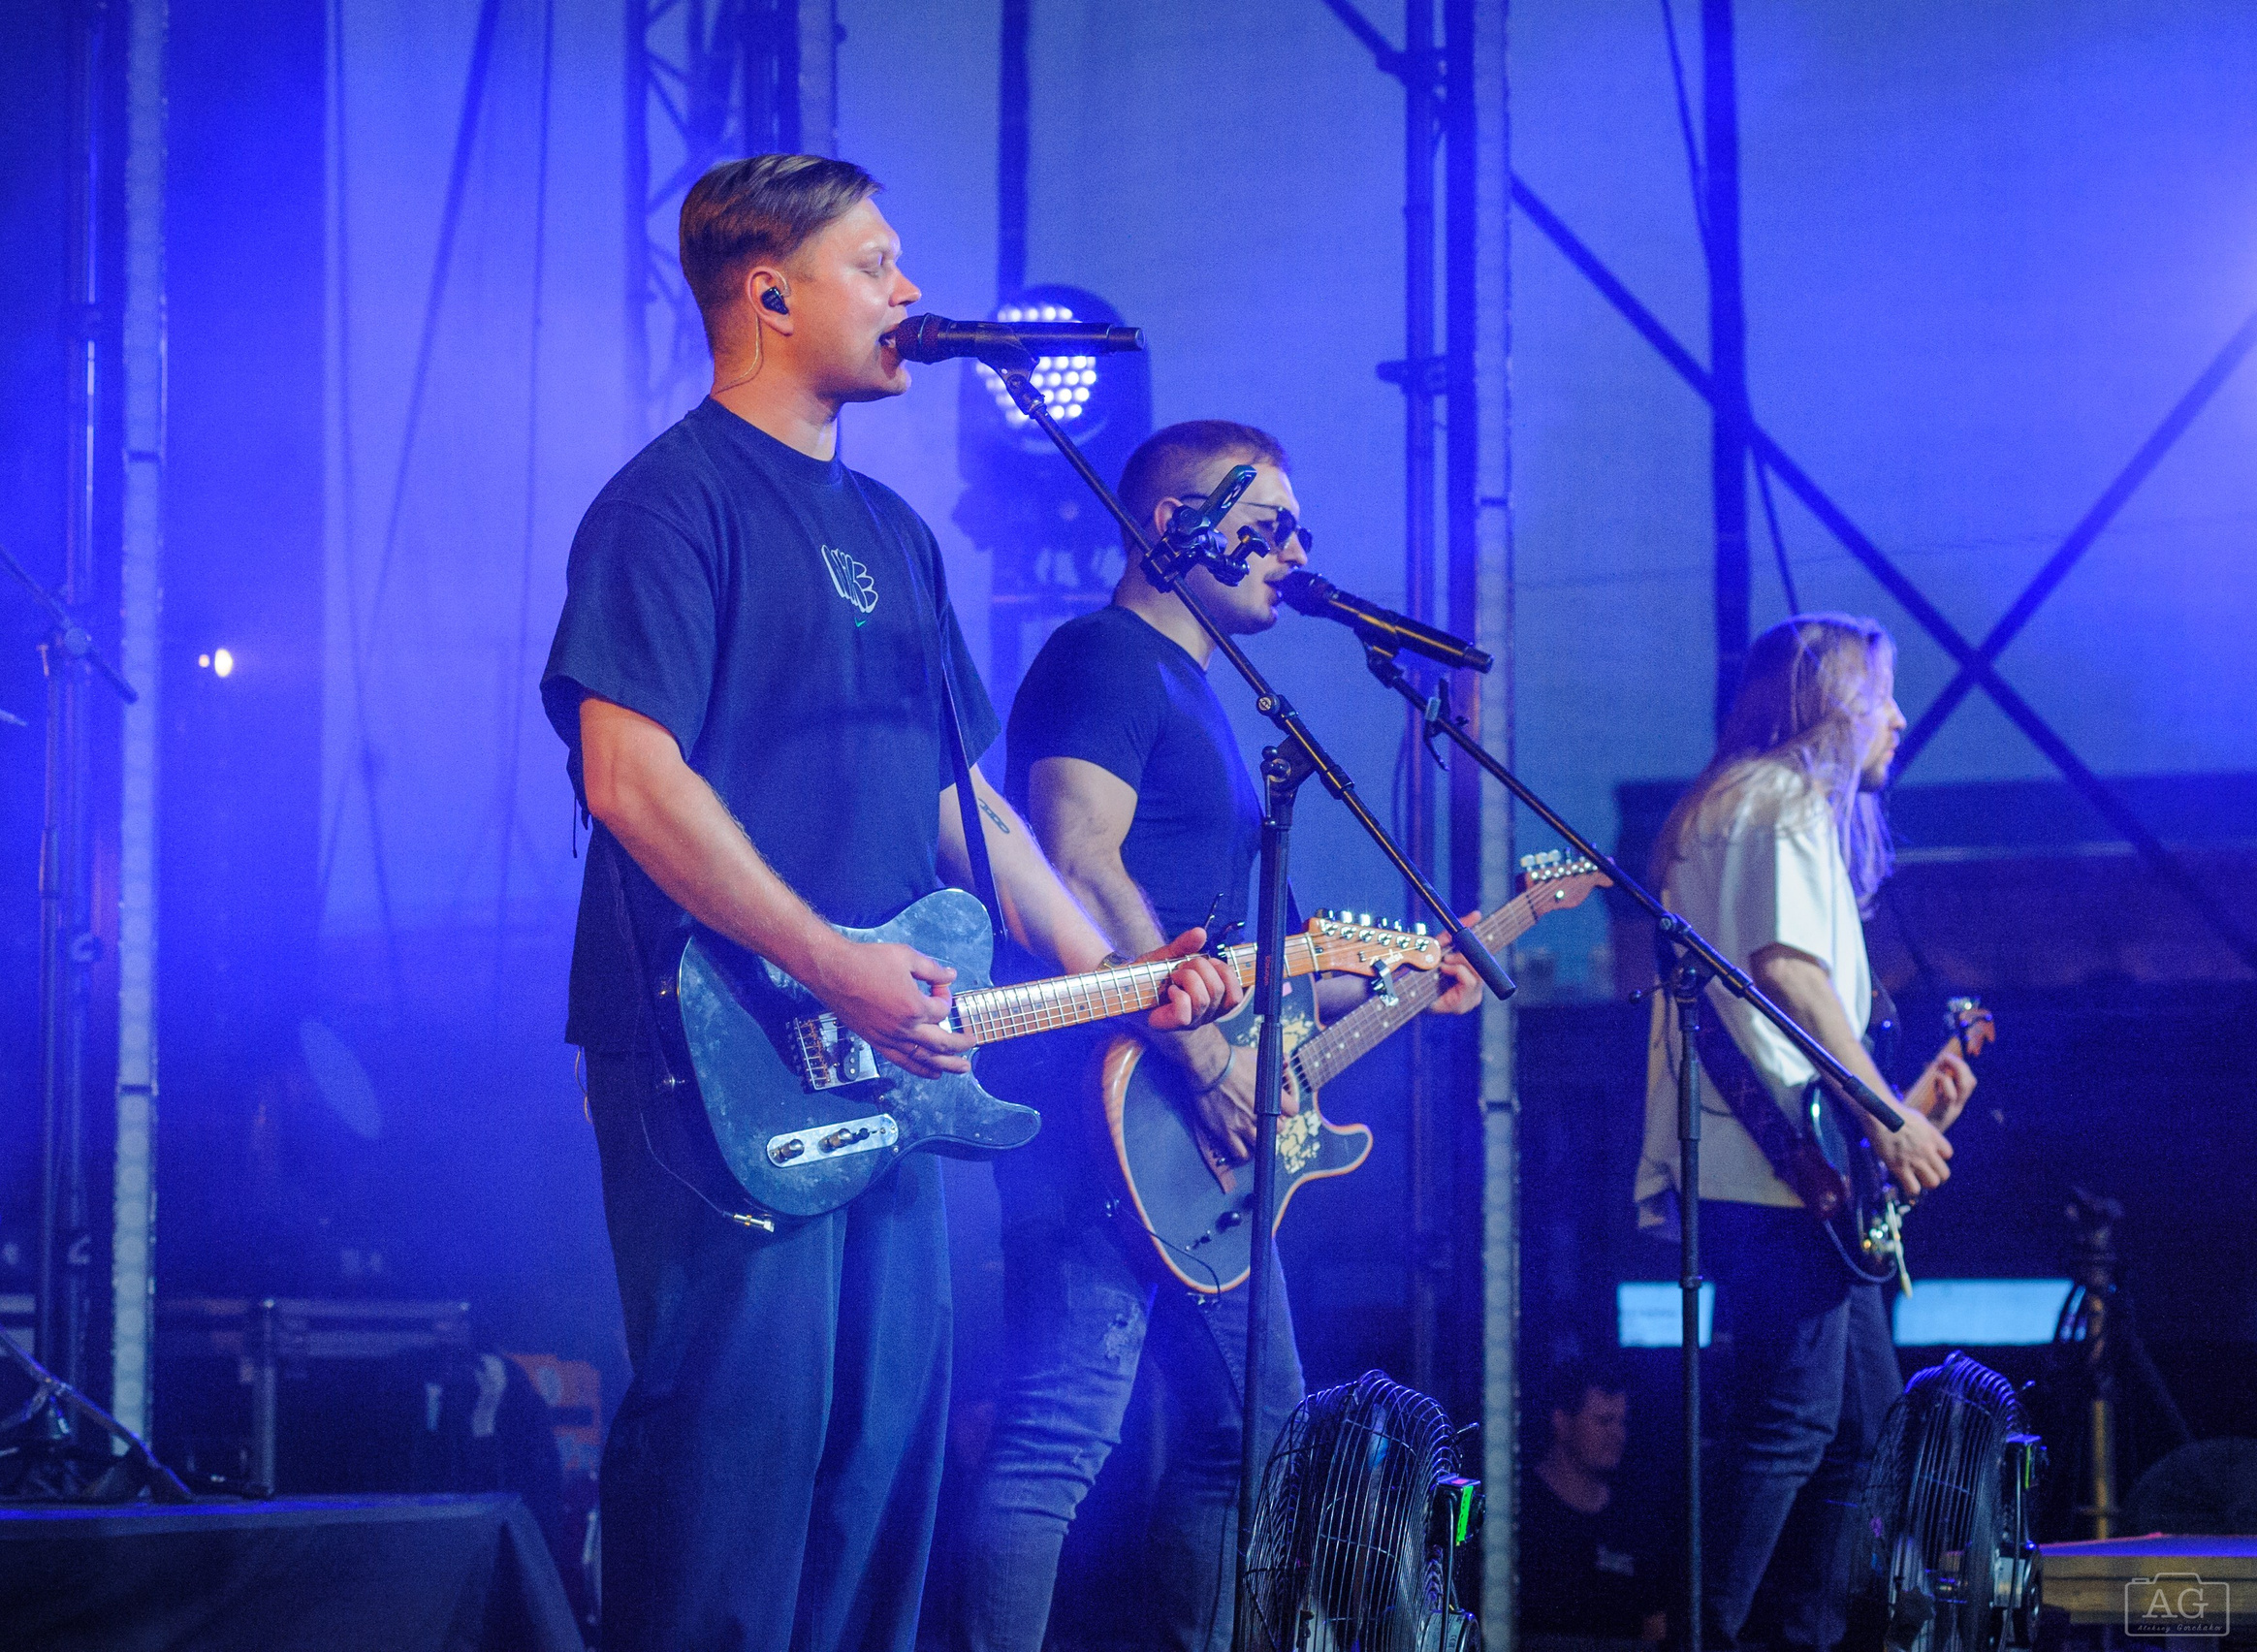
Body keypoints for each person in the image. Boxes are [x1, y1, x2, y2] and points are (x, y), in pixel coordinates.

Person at [539, 155, 1242, 1652]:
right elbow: (628, 777)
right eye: (875, 262)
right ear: (770, 292)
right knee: (738, 1453)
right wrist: (826, 961)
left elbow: (961, 805)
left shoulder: (895, 533)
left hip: (889, 1060)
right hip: (723, 1048)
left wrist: (1123, 971)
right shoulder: (668, 503)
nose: (911, 291)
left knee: (880, 1461)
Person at [954, 420, 1484, 1652]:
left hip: (1191, 1133)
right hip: (1107, 1108)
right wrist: (1197, 1058)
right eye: (1266, 527)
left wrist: (1408, 980)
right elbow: (1074, 860)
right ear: (1172, 525)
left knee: (1250, 1438)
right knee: (1059, 1437)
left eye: (1299, 531)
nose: (1294, 552)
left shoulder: (1205, 693)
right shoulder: (1102, 657)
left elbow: (1269, 978)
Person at [1634, 615, 1978, 1651]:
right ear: (1828, 703)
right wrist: (1888, 1116)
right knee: (1790, 1426)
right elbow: (1787, 974)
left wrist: (1891, 1104)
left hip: (1782, 1163)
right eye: (1881, 695)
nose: (1899, 719)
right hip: (1774, 1172)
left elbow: (1772, 1007)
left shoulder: (1736, 802)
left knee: (1862, 1435)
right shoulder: (1776, 798)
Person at [1518, 1357, 1671, 1650]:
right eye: (1603, 1421)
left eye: (1622, 1422)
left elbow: (1655, 1626)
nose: (1617, 1434)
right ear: (1562, 1422)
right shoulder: (1520, 1511)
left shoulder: (1635, 1520)